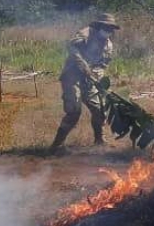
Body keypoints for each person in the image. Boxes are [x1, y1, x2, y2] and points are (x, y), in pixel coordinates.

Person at [49, 12, 120, 153]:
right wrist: (83, 64)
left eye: (111, 28)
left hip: (90, 80)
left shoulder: (108, 45)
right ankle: (56, 145)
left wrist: (96, 77)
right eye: (106, 27)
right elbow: (72, 48)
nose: (108, 30)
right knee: (74, 111)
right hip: (72, 77)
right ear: (99, 25)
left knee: (99, 109)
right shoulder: (85, 33)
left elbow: (103, 65)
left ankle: (99, 140)